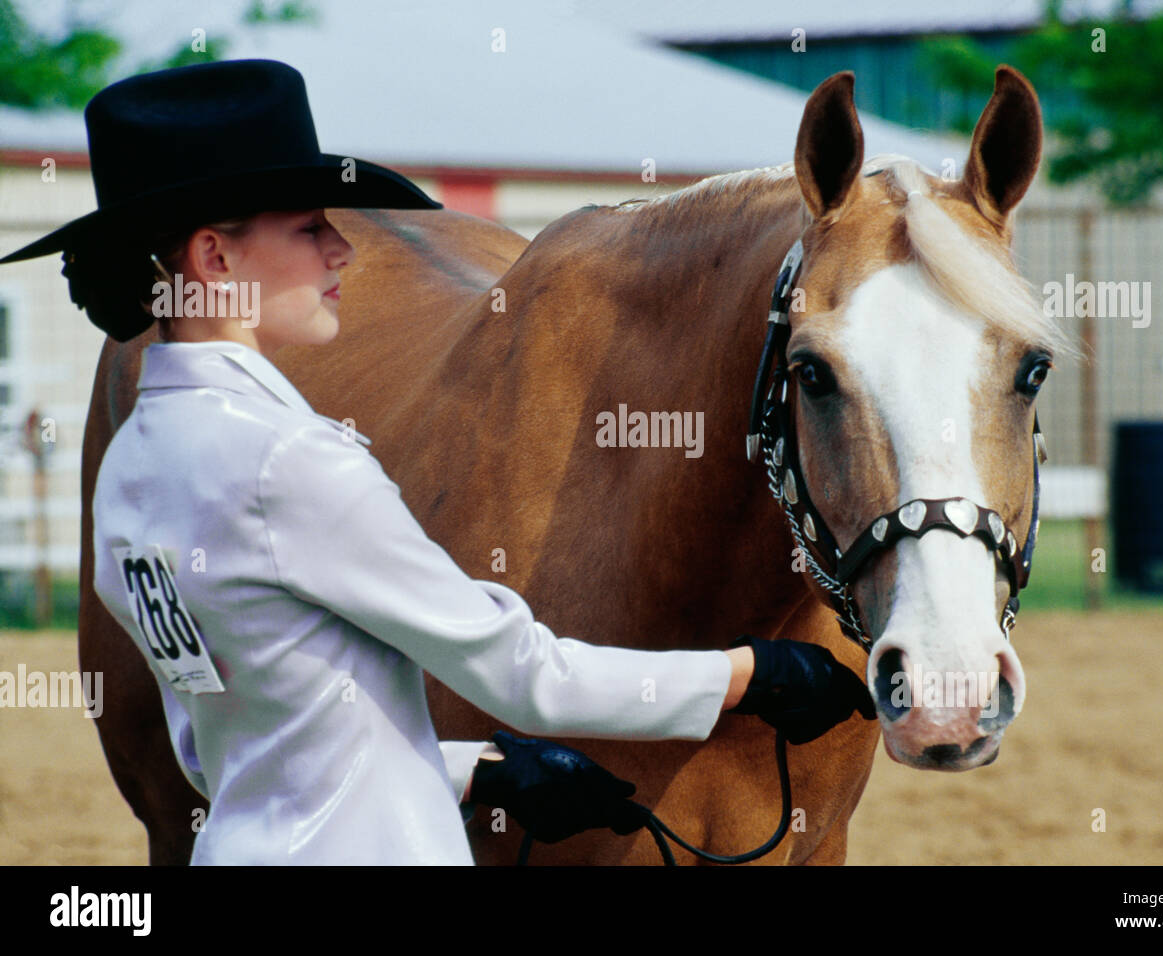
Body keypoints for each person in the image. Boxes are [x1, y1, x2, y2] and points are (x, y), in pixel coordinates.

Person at [1, 59, 873, 864]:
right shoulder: (293, 463)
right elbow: (530, 677)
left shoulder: (128, 475)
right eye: (309, 230)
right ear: (214, 258)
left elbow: (232, 752)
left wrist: (477, 775)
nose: (343, 250)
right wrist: (750, 674)